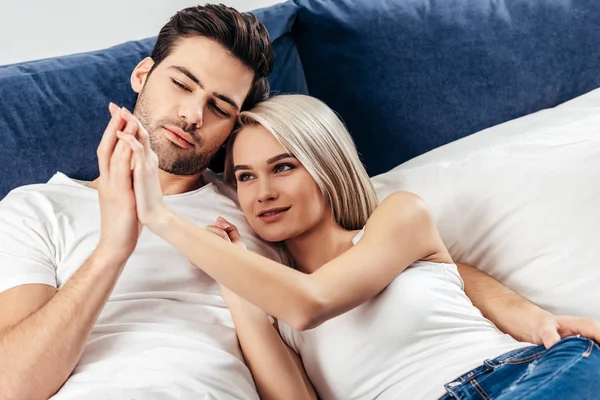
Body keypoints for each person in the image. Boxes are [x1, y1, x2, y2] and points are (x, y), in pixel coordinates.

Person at [118, 94, 600, 400]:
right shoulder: (277, 315)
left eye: (283, 166)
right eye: (245, 176)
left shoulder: (398, 219)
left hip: (528, 376)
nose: (262, 191)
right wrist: (236, 287)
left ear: (325, 165)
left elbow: (315, 302)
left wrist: (159, 216)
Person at [0, 5, 279, 400]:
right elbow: (11, 386)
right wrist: (113, 249)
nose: (192, 114)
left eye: (219, 107)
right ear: (142, 74)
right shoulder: (37, 208)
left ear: (235, 125)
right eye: (182, 84)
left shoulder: (257, 211)